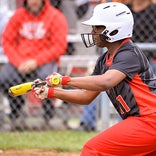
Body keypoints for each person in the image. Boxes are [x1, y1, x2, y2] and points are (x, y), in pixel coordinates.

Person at [32, 2, 156, 155]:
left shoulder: (129, 53)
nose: (92, 32)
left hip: (149, 121)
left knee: (93, 149)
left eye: (97, 27)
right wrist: (52, 92)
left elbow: (105, 82)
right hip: (144, 122)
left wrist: (64, 80)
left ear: (115, 29)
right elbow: (86, 96)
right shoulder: (104, 60)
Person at [1, 0, 68, 129]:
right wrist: (19, 62)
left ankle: (48, 118)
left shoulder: (55, 16)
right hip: (20, 61)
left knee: (47, 79)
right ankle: (16, 115)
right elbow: (7, 41)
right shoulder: (18, 15)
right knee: (5, 78)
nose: (34, 2)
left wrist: (36, 61)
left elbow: (59, 46)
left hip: (44, 61)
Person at [128, 0, 156, 74]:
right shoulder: (126, 10)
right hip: (127, 54)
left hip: (149, 57)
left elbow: (153, 37)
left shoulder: (153, 10)